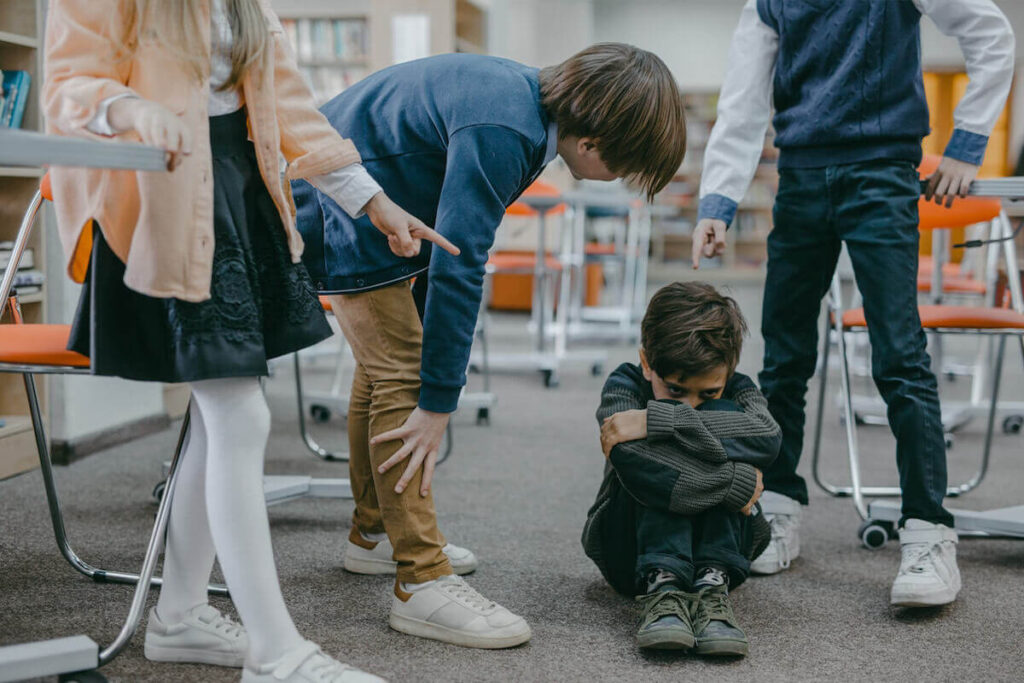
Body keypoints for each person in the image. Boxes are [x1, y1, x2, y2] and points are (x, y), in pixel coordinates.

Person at [42, 1, 450, 680]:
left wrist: (374, 203)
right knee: (239, 415)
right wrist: (132, 109)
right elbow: (67, 85)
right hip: (167, 193)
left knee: (218, 420)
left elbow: (288, 106)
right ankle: (273, 651)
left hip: (237, 186)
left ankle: (178, 616)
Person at [291, 44, 687, 649]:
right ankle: (420, 580)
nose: (624, 181)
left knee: (383, 370)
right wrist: (438, 400)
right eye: (627, 168)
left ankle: (374, 534)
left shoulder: (522, 104)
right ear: (592, 143)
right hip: (337, 203)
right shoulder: (507, 128)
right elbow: (461, 261)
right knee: (402, 376)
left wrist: (435, 376)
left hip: (359, 200)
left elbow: (446, 246)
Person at [691, 0, 1014, 606]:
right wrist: (718, 201)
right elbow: (742, 100)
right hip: (801, 181)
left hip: (882, 175)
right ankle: (777, 505)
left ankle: (928, 529)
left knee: (900, 357)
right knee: (784, 359)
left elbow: (992, 35)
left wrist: (968, 142)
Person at [583, 281, 780, 656]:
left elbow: (767, 437)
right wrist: (735, 481)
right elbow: (632, 458)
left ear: (729, 370)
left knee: (720, 415)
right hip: (630, 553)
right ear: (647, 363)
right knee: (650, 463)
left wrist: (662, 420)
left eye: (708, 392)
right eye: (675, 390)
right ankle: (664, 584)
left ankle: (711, 585)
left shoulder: (738, 388)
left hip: (725, 556)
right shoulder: (624, 384)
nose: (691, 404)